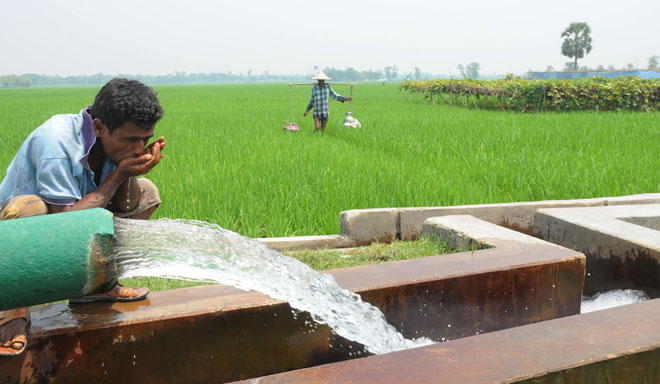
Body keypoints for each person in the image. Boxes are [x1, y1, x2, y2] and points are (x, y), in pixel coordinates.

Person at [0, 78, 165, 356]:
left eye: (145, 140)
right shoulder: (56, 141)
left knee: (146, 193)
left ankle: (96, 285)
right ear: (99, 127)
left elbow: (102, 203)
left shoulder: (113, 143)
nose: (139, 149)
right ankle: (11, 312)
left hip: (74, 211)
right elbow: (63, 222)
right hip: (17, 234)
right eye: (131, 139)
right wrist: (120, 174)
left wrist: (128, 174)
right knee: (29, 209)